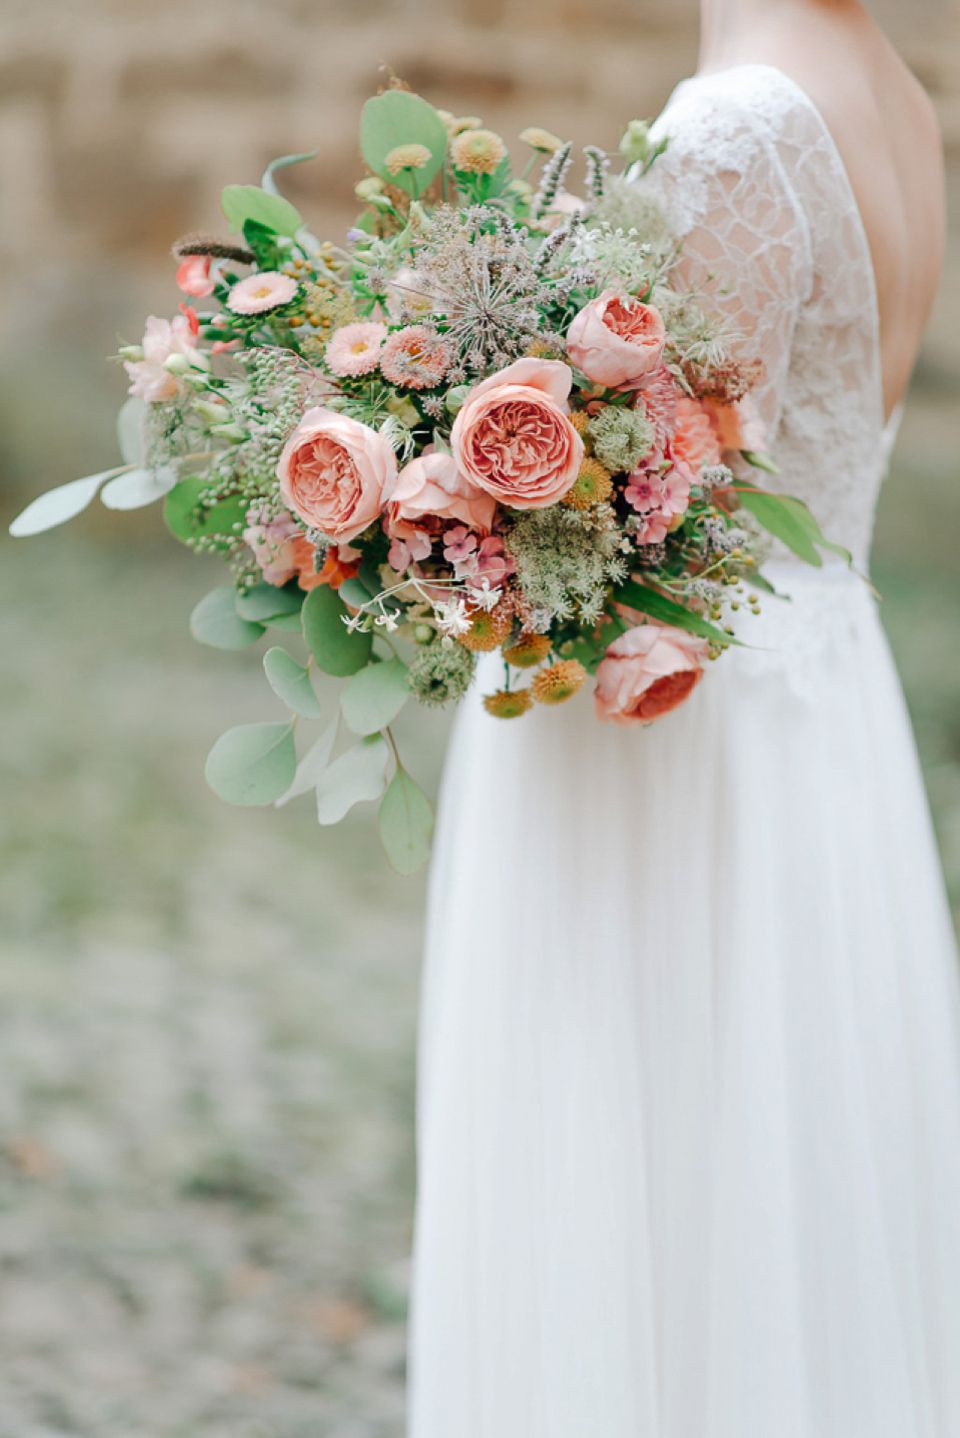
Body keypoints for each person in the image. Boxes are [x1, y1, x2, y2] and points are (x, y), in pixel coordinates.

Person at [408, 2, 960, 1433]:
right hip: (820, 696)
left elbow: (649, 498)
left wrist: (430, 496)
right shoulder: (894, 96)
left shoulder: (739, 125)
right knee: (786, 1204)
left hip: (677, 726)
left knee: (656, 1188)